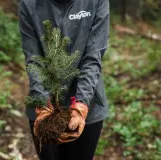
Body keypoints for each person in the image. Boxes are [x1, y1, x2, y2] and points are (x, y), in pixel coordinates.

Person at [19, 0, 109, 159]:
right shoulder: (29, 4)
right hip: (45, 104)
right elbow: (34, 59)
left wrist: (81, 104)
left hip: (88, 101)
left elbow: (93, 56)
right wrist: (43, 103)